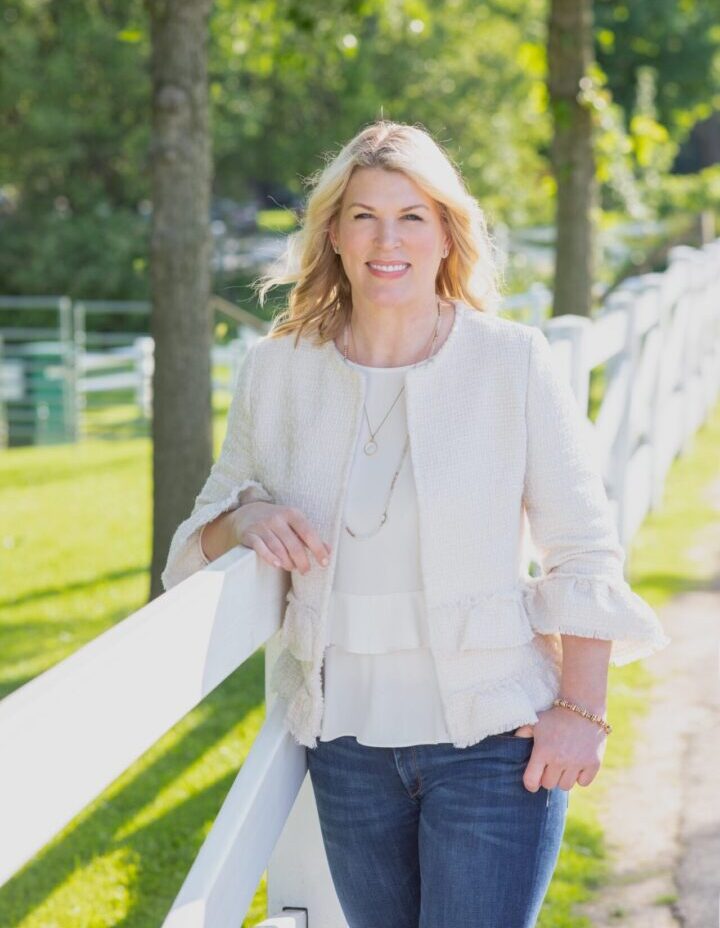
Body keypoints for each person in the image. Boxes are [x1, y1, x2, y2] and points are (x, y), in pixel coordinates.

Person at [161, 120, 671, 928]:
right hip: (348, 750)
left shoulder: (511, 362)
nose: (385, 240)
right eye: (363, 215)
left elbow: (582, 547)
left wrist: (580, 711)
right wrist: (249, 512)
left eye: (411, 216)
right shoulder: (279, 371)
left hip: (495, 741)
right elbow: (199, 537)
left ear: (446, 234)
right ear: (333, 233)